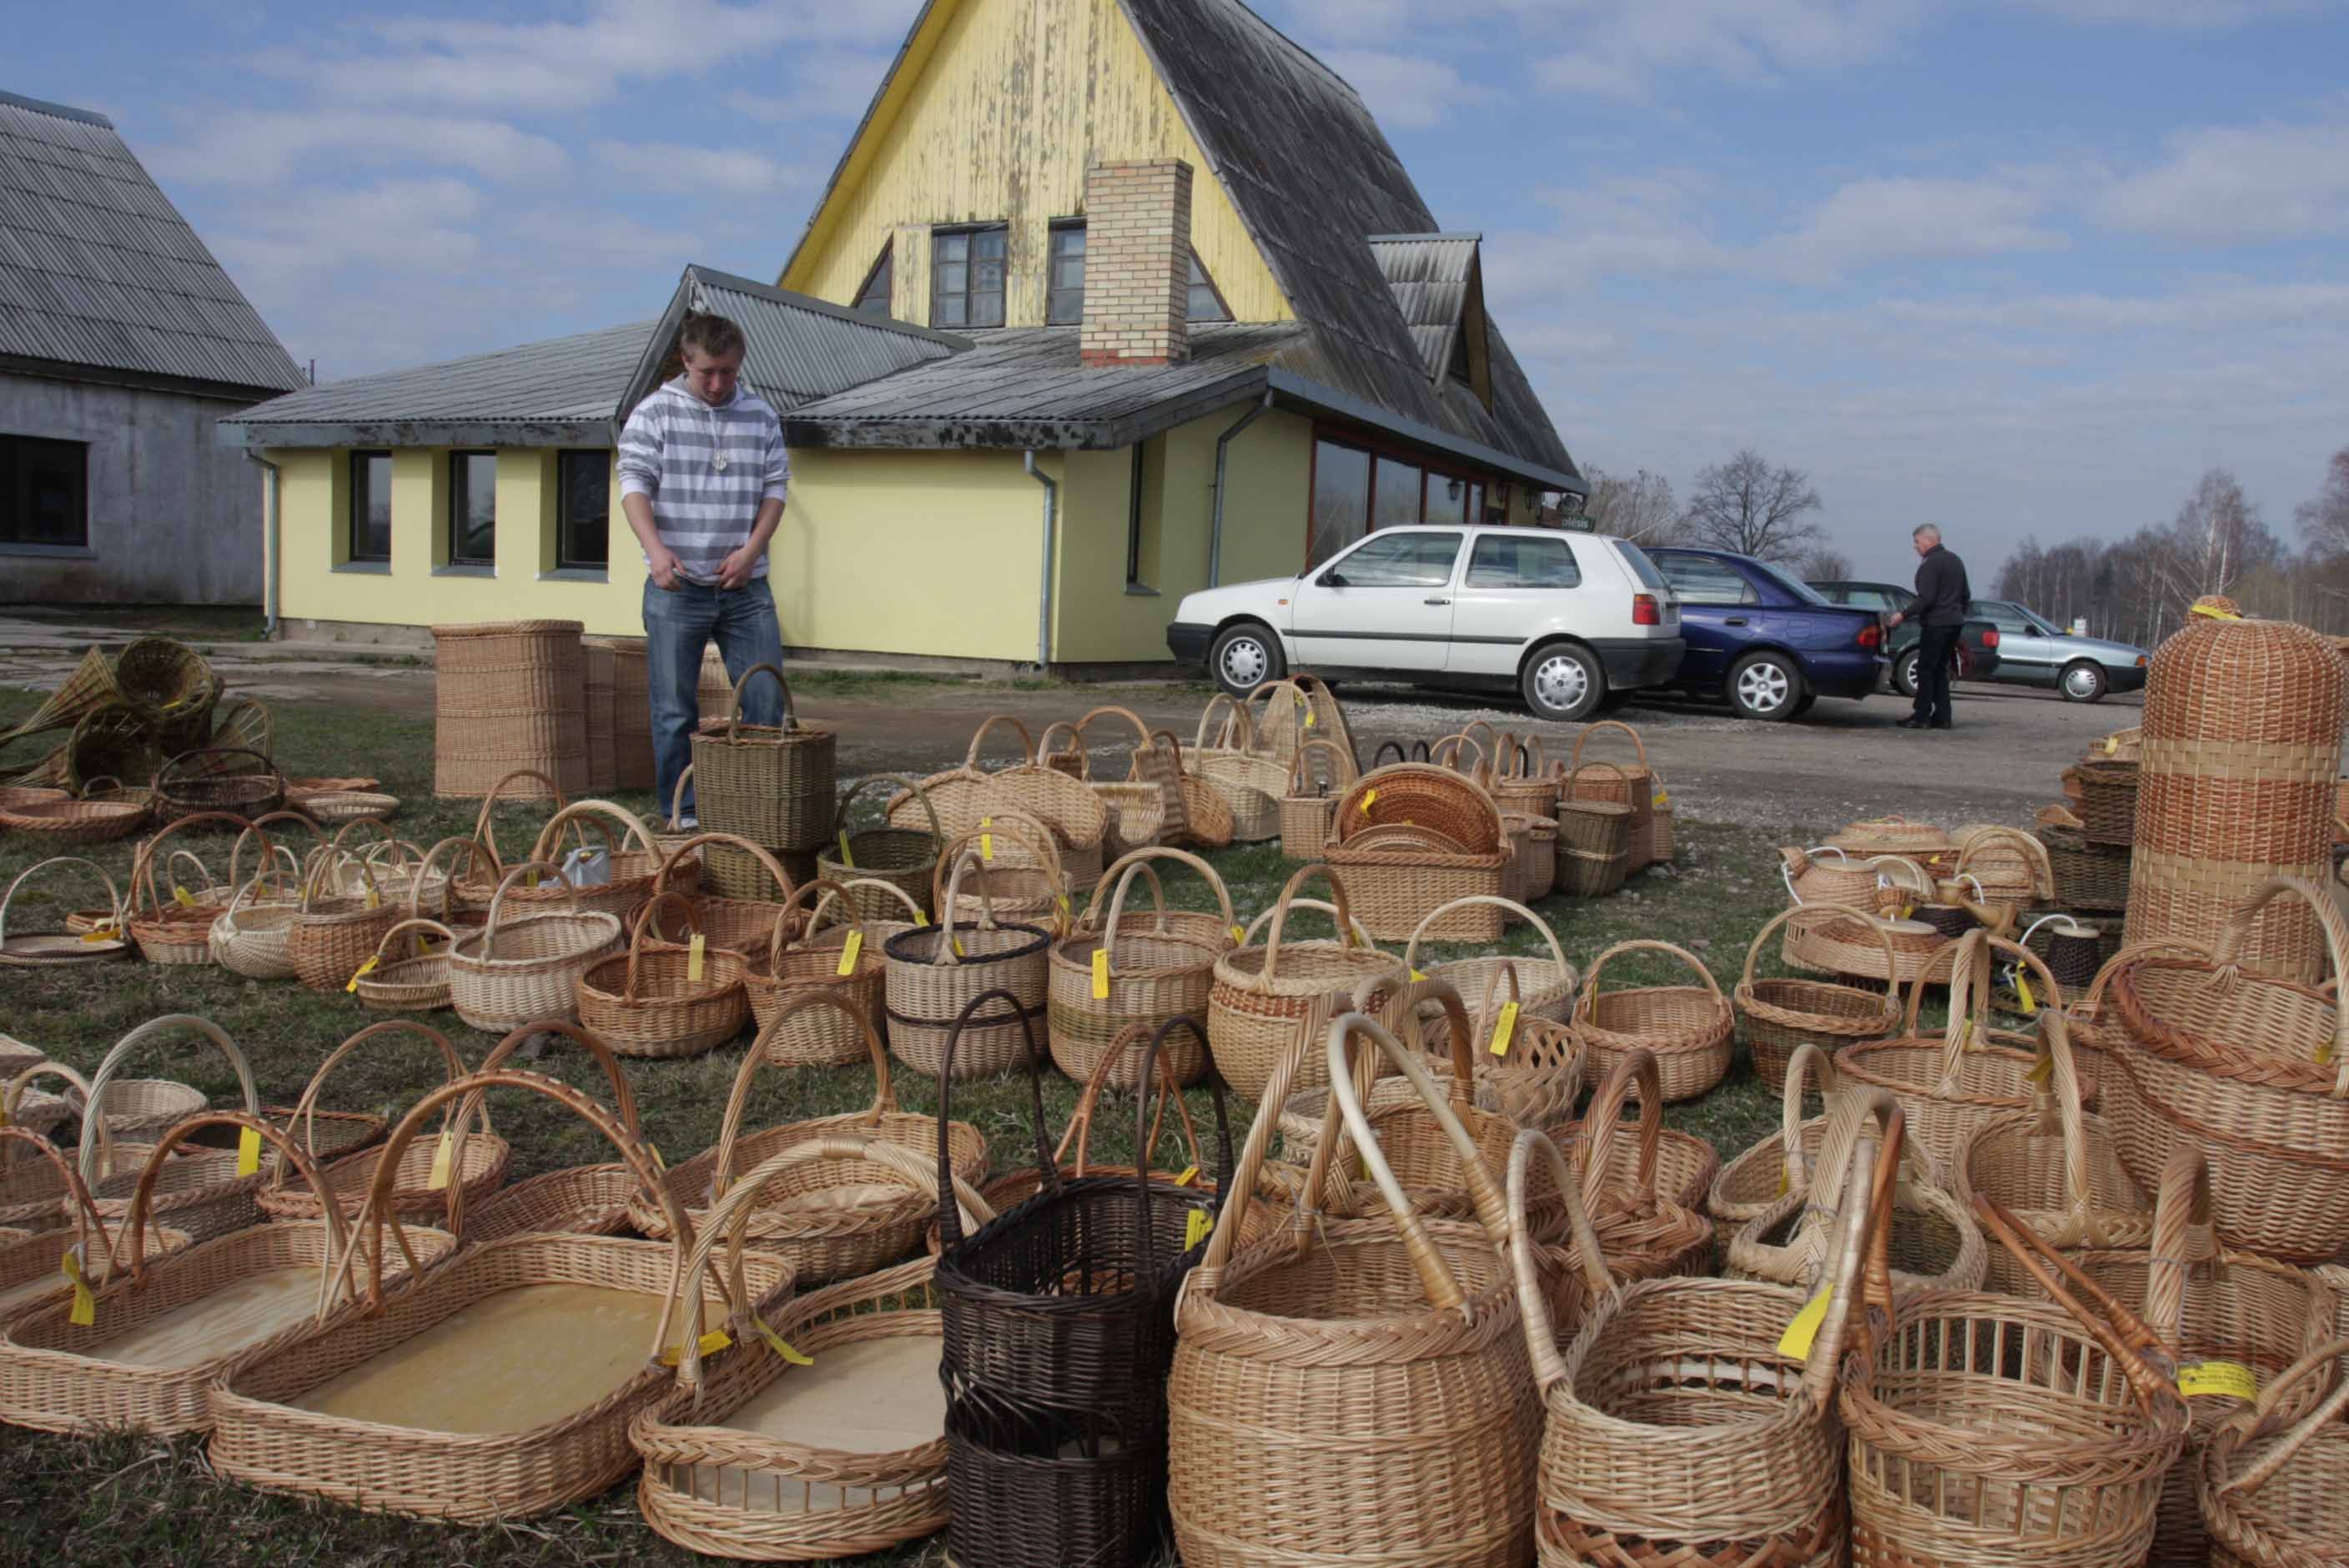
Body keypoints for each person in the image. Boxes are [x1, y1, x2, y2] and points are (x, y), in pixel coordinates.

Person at [617, 310, 788, 826]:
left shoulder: (761, 416)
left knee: (766, 700)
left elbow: (775, 490)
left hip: (746, 588)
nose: (717, 384)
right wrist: (656, 550)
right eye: (706, 372)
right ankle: (684, 812)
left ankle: (756, 807)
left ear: (741, 365)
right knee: (674, 710)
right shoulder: (653, 414)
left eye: (728, 372)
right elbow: (634, 486)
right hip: (676, 587)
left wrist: (752, 550)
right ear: (685, 362)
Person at [1887, 523, 1969, 731]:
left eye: (1917, 542)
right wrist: (1957, 615)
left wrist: (1902, 615)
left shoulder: (1930, 564)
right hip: (1954, 623)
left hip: (1936, 624)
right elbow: (1965, 595)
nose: (1915, 546)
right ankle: (1943, 716)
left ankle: (1921, 716)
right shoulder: (1955, 560)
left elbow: (1927, 598)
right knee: (1940, 669)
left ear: (1929, 540)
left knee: (1925, 669)